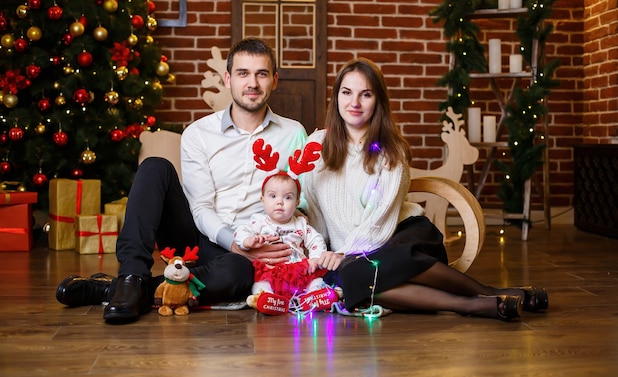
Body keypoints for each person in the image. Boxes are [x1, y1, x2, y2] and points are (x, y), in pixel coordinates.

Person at [56, 38, 308, 323]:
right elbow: (200, 208)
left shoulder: (294, 133)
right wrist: (234, 242)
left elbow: (303, 198)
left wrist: (279, 241)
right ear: (228, 79)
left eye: (261, 74)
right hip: (197, 236)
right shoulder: (199, 133)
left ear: (274, 80)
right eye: (243, 73)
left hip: (253, 247)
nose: (252, 83)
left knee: (238, 274)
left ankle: (121, 290)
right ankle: (130, 275)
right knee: (155, 166)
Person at [299, 57, 548, 321]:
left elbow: (379, 222)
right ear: (336, 96)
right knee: (350, 279)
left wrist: (342, 253)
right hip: (352, 256)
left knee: (365, 268)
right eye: (347, 92)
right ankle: (476, 304)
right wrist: (319, 253)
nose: (355, 103)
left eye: (366, 94)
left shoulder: (389, 151)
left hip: (400, 236)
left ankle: (488, 292)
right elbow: (313, 208)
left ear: (378, 101)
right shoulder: (317, 145)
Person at [234, 139, 340, 314]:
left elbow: (316, 240)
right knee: (261, 282)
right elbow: (240, 231)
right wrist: (248, 241)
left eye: (288, 197)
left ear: (298, 202)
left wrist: (315, 257)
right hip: (271, 269)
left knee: (314, 279)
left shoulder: (300, 223)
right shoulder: (258, 221)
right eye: (273, 196)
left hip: (298, 268)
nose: (280, 203)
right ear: (262, 200)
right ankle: (266, 300)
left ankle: (314, 296)